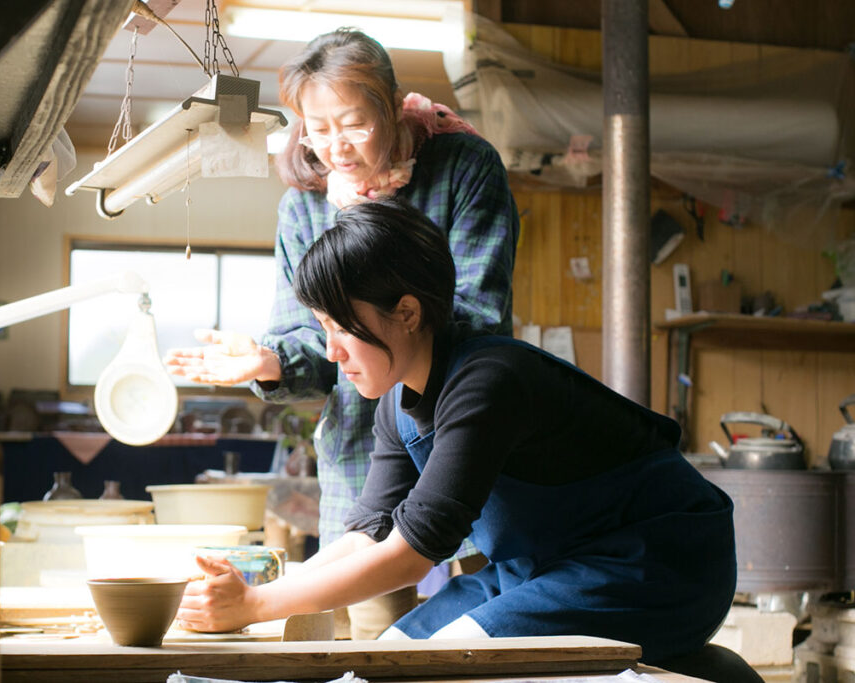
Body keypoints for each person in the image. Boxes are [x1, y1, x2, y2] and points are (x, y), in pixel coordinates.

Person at [174, 198, 736, 662]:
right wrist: (261, 593)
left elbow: (411, 555)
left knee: (447, 667)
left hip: (654, 563)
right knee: (390, 658)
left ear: (408, 313)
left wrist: (252, 607)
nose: (330, 351)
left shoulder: (489, 380)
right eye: (323, 328)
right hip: (538, 569)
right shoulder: (396, 400)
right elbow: (368, 535)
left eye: (340, 326)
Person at [165, 29, 518, 637]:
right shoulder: (304, 204)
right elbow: (316, 343)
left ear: (390, 102)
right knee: (370, 627)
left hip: (462, 420)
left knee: (486, 614)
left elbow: (477, 312)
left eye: (353, 124)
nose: (336, 148)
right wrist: (268, 361)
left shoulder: (462, 165)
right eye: (316, 130)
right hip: (363, 440)